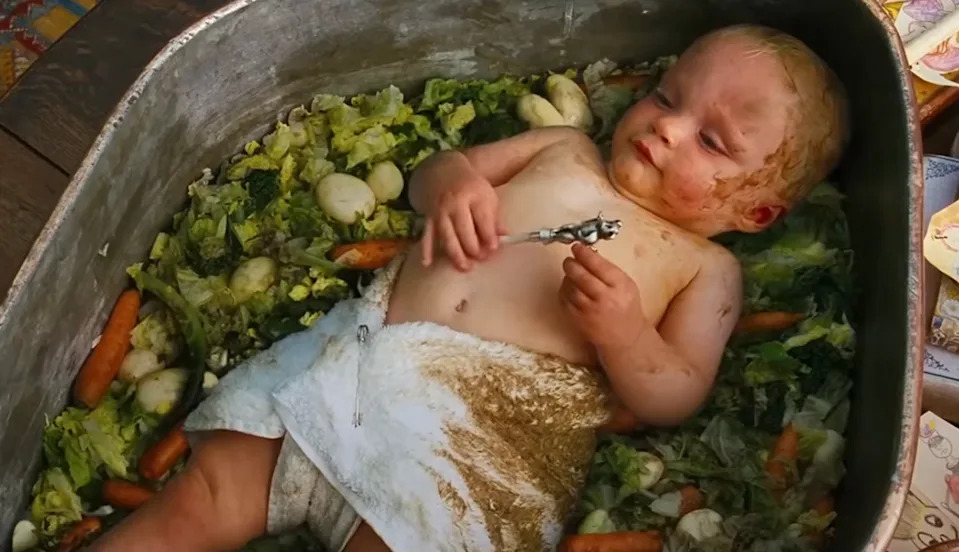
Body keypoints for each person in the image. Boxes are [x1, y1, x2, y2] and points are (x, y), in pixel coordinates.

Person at [88, 23, 849, 552]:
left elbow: (676, 392)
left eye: (711, 141)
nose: (666, 128)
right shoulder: (565, 149)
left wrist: (626, 334)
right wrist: (450, 186)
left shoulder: (703, 269)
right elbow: (431, 178)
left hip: (475, 445)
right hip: (348, 368)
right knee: (201, 499)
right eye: (666, 96)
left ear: (755, 211)